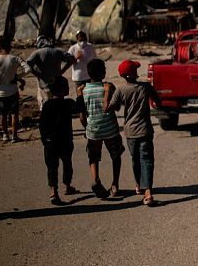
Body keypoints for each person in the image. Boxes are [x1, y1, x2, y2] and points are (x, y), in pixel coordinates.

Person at [106, 60, 161, 206]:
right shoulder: (145, 87)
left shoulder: (120, 90)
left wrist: (107, 94)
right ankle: (148, 191)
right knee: (147, 160)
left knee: (135, 159)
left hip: (130, 132)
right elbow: (158, 101)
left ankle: (138, 184)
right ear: (134, 73)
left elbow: (112, 107)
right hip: (145, 130)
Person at [77, 59, 123, 199]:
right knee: (116, 156)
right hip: (110, 129)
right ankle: (114, 185)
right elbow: (117, 107)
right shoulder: (108, 87)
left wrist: (87, 127)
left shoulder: (83, 90)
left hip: (93, 129)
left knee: (93, 157)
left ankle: (96, 179)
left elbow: (82, 115)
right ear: (103, 72)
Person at [39, 76, 79, 205]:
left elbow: (42, 125)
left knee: (52, 167)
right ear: (63, 90)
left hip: (50, 141)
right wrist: (80, 95)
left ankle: (53, 191)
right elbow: (79, 109)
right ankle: (67, 186)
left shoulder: (47, 105)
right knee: (67, 163)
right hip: (65, 140)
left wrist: (45, 140)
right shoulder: (68, 103)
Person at [27, 36, 76, 110]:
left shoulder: (37, 53)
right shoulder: (58, 51)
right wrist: (63, 70)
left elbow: (27, 64)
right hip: (58, 85)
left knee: (46, 107)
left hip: (44, 85)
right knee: (58, 107)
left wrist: (36, 73)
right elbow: (72, 59)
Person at [0, 37, 30, 143]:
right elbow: (28, 69)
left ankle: (5, 135)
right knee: (14, 115)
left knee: (3, 114)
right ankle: (14, 136)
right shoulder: (15, 58)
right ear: (10, 46)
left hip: (0, 91)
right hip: (13, 90)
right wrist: (18, 77)